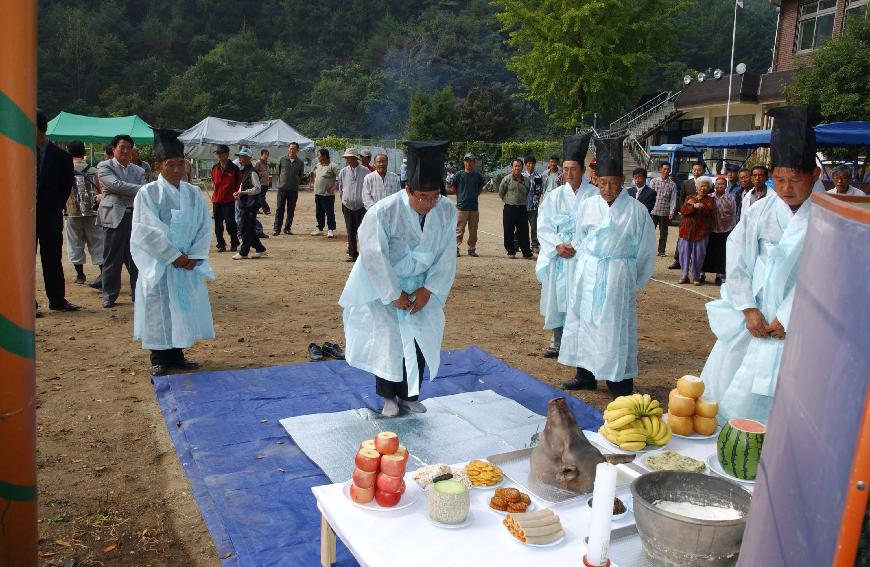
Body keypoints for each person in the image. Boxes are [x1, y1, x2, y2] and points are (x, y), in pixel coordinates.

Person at [700, 105, 823, 424]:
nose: (786, 188)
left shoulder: (828, 219)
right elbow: (737, 254)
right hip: (754, 312)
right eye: (779, 180)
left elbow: (826, 276)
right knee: (727, 381)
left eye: (794, 180)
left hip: (799, 318)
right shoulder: (761, 210)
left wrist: (788, 314)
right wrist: (747, 306)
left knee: (790, 394)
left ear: (814, 176)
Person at [339, 140, 457, 417]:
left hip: (421, 285)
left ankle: (409, 395)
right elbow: (372, 254)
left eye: (435, 196)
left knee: (418, 339)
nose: (429, 203)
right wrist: (393, 293)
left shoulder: (445, 210)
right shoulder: (384, 211)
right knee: (390, 341)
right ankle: (389, 397)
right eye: (423, 197)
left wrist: (429, 289)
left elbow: (447, 253)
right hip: (387, 285)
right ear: (408, 190)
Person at [558, 136, 655, 395]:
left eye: (612, 183)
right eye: (602, 183)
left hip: (617, 274)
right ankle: (585, 375)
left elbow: (645, 251)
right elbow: (580, 237)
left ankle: (619, 382)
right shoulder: (589, 205)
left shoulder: (636, 211)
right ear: (595, 181)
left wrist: (630, 279)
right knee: (584, 322)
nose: (607, 189)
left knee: (613, 328)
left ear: (622, 182)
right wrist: (576, 255)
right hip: (589, 271)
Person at [131, 129, 215, 378]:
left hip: (187, 261)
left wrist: (195, 255)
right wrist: (172, 255)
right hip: (162, 263)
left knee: (181, 306)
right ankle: (158, 357)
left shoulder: (192, 193)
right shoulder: (147, 193)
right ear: (159, 166)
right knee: (159, 307)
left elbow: (203, 225)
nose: (177, 170)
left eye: (181, 164)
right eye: (171, 165)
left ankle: (178, 354)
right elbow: (145, 230)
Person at [536, 133, 597, 358]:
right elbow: (544, 225)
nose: (568, 173)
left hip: (581, 256)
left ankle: (579, 343)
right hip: (560, 256)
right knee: (557, 298)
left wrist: (577, 247)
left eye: (573, 168)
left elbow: (596, 228)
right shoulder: (555, 195)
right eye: (565, 169)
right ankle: (557, 341)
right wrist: (557, 246)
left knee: (579, 298)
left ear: (582, 169)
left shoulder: (594, 195)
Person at [35, 109, 78, 312]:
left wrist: (54, 208)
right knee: (23, 261)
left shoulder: (61, 157)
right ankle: (27, 302)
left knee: (52, 258)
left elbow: (65, 186)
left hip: (49, 215)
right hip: (21, 218)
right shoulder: (16, 152)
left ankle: (57, 300)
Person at [98, 134, 146, 308]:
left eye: (128, 147)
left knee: (137, 258)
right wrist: (137, 189)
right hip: (114, 217)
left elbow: (117, 188)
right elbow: (114, 185)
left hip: (135, 216)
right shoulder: (104, 166)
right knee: (112, 258)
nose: (125, 150)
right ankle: (109, 294)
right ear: (113, 149)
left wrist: (116, 189)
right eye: (121, 147)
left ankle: (137, 292)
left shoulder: (139, 170)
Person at [64, 140, 104, 286]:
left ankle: (80, 275)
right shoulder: (93, 170)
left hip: (73, 212)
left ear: (69, 152)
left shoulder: (66, 169)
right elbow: (101, 189)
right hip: (92, 212)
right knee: (98, 241)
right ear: (84, 152)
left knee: (75, 242)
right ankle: (102, 273)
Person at [677, 177, 715, 286]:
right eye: (701, 186)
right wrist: (694, 206)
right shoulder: (689, 197)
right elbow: (684, 210)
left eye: (706, 186)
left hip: (701, 232)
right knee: (684, 253)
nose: (703, 188)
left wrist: (695, 205)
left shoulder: (710, 200)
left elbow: (708, 211)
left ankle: (695, 276)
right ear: (697, 188)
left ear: (709, 188)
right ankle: (684, 275)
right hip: (686, 231)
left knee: (699, 255)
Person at [669, 162, 706, 269]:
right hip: (687, 215)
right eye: (694, 169)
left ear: (703, 171)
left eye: (699, 170)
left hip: (700, 216)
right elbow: (682, 198)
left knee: (698, 240)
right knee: (682, 237)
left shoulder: (706, 183)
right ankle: (678, 260)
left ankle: (694, 263)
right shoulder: (686, 183)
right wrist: (682, 210)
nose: (696, 172)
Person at [232, 148, 267, 260]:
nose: (240, 159)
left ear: (248, 158)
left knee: (246, 230)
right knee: (248, 229)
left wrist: (243, 192)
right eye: (240, 157)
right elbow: (244, 186)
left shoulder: (252, 172)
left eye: (242, 157)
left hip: (250, 205)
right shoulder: (245, 171)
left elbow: (257, 189)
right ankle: (260, 249)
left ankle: (244, 252)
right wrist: (239, 192)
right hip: (244, 204)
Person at [703, 177, 737, 285]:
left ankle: (719, 276)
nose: (720, 186)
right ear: (714, 185)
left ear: (726, 186)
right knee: (707, 252)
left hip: (724, 230)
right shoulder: (708, 197)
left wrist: (732, 228)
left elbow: (733, 215)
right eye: (718, 184)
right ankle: (701, 273)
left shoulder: (730, 198)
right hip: (710, 229)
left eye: (723, 184)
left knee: (721, 254)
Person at [451, 153, 486, 257]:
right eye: (466, 161)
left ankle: (471, 249)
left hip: (474, 207)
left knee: (473, 230)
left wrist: (474, 196)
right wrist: (461, 197)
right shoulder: (459, 175)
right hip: (462, 207)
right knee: (459, 229)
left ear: (474, 162)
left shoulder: (478, 176)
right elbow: (454, 188)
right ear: (464, 162)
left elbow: (480, 188)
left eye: (470, 161)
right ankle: (455, 248)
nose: (468, 163)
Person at [338, 147, 369, 262]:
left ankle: (364, 254)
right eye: (347, 158)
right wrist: (344, 200)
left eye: (351, 158)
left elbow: (368, 187)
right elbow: (341, 188)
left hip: (362, 205)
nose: (349, 160)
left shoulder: (365, 171)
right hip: (347, 205)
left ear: (356, 158)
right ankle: (352, 253)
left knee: (362, 230)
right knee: (350, 230)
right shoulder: (343, 171)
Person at [209, 144, 241, 253]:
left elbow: (238, 183)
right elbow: (214, 182)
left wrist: (234, 193)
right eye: (217, 153)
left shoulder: (234, 169)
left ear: (227, 154)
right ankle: (220, 244)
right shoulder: (214, 168)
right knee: (218, 224)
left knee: (230, 223)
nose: (218, 155)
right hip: (217, 201)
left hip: (229, 201)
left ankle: (234, 242)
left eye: (220, 153)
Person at [499, 158, 532, 259]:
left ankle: (526, 252)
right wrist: (509, 200)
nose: (517, 168)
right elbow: (501, 192)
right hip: (509, 208)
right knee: (508, 230)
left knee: (524, 231)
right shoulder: (507, 179)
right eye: (515, 166)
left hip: (522, 208)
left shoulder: (526, 180)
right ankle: (511, 251)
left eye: (519, 166)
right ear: (512, 167)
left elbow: (528, 191)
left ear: (522, 167)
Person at [273, 142, 304, 235]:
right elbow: (278, 172)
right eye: (290, 148)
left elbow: (301, 175)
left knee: (291, 209)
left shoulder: (300, 162)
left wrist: (296, 180)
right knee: (279, 209)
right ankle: (277, 229)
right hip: (282, 188)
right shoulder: (282, 160)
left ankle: (287, 228)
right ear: (288, 149)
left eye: (294, 148)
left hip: (293, 190)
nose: (292, 150)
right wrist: (282, 181)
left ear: (297, 150)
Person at [649, 162, 678, 257]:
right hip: (653, 211)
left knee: (663, 233)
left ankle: (661, 251)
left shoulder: (672, 184)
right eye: (664, 169)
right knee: (649, 232)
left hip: (665, 212)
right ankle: (649, 249)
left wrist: (671, 211)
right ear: (661, 169)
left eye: (668, 169)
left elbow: (673, 199)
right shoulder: (654, 181)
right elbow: (649, 196)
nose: (666, 171)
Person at [311, 148, 340, 238]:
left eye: (319, 155)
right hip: (318, 193)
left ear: (324, 156)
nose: (317, 157)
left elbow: (340, 177)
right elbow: (314, 175)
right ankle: (319, 228)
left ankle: (330, 229)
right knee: (319, 212)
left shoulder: (333, 166)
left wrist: (335, 187)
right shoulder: (318, 165)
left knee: (329, 212)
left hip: (328, 195)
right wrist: (313, 182)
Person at [524, 156, 545, 252]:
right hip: (522, 206)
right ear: (525, 165)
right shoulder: (522, 176)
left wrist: (536, 200)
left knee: (534, 227)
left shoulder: (539, 177)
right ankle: (516, 243)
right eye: (528, 163)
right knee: (520, 226)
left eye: (532, 163)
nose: (530, 165)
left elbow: (541, 190)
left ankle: (534, 245)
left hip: (533, 206)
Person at [254, 149, 272, 215]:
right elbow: (254, 172)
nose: (266, 156)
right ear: (261, 155)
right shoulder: (258, 163)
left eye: (267, 155)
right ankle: (266, 210)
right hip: (260, 183)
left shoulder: (266, 163)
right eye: (265, 154)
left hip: (266, 183)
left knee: (261, 198)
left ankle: (256, 209)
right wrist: (260, 175)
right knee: (261, 198)